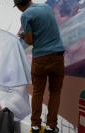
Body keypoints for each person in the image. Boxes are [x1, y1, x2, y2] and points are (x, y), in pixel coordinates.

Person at [14, 0, 65, 132]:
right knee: (55, 92)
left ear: (19, 6)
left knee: (37, 92)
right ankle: (51, 126)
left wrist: (23, 35)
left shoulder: (25, 15)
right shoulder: (47, 7)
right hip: (58, 57)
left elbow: (30, 41)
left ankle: (35, 125)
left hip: (41, 59)